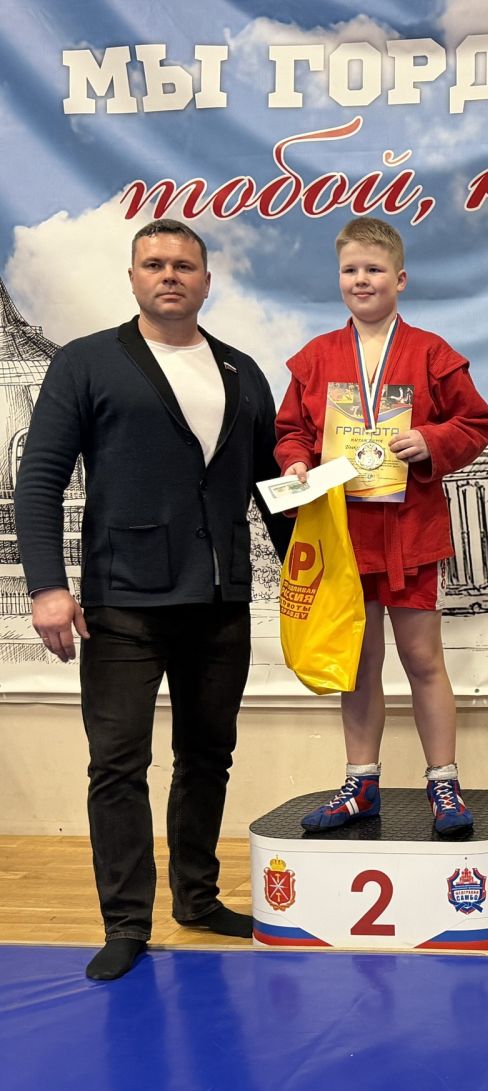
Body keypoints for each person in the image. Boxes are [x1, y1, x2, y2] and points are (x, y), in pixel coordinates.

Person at [16, 220, 292, 981]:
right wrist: (48, 586)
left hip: (219, 600)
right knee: (118, 765)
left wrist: (317, 568)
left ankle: (197, 899)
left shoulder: (241, 370)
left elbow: (273, 488)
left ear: (206, 281)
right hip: (121, 604)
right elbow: (39, 479)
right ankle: (127, 923)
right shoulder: (85, 362)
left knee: (208, 756)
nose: (170, 275)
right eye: (155, 264)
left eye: (184, 265)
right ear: (133, 276)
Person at [276, 219, 488, 837]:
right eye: (350, 270)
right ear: (338, 278)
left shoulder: (431, 352)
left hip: (409, 531)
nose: (361, 280)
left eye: (374, 269)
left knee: (423, 659)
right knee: (358, 663)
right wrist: (295, 463)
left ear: (399, 279)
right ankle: (360, 783)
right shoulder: (315, 357)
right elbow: (291, 430)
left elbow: (475, 421)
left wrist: (430, 440)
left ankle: (444, 782)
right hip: (343, 535)